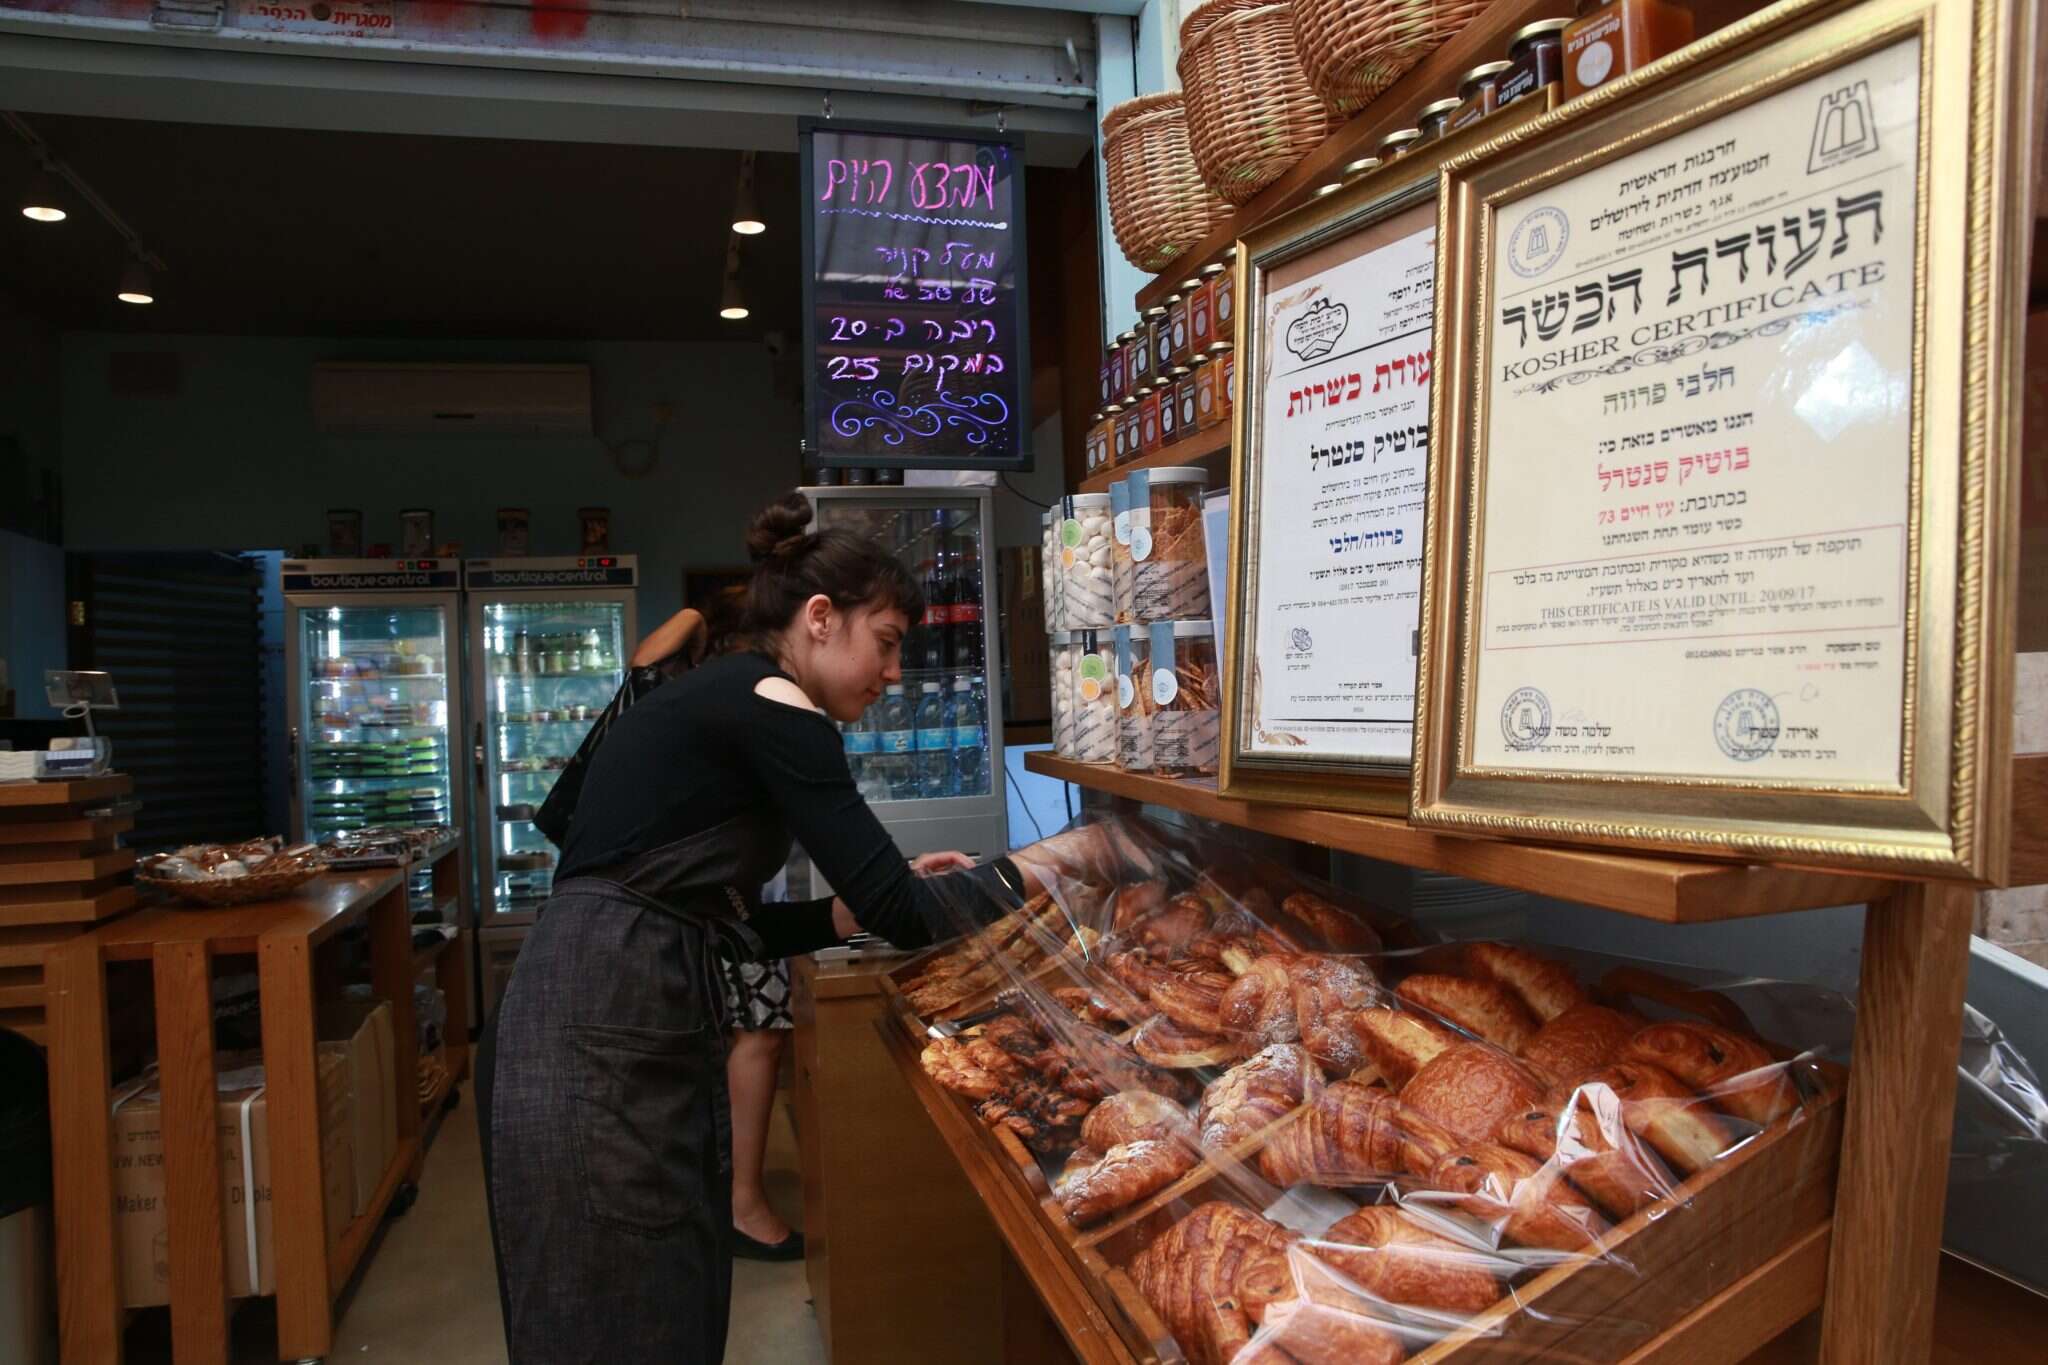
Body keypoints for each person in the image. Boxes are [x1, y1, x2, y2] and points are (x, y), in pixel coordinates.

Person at [478, 491, 1076, 1362]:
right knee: (617, 1317)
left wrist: (850, 904)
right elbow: (904, 917)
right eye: (888, 641)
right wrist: (1063, 861)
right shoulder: (776, 702)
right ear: (822, 619)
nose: (895, 673)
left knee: (654, 1307)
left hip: (598, 1008)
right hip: (598, 1031)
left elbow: (738, 927)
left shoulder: (728, 692)